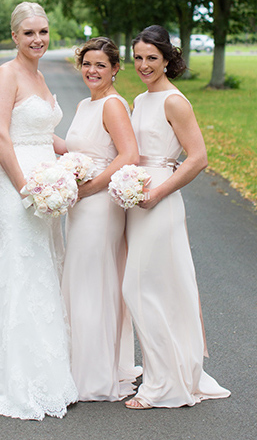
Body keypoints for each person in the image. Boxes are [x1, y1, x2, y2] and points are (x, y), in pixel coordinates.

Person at [0, 2, 78, 420]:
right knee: (22, 264)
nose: (38, 40)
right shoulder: (6, 74)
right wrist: (25, 188)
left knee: (48, 263)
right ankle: (17, 370)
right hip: (18, 188)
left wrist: (84, 158)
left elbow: (47, 134)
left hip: (48, 184)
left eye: (44, 32)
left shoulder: (40, 75)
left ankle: (49, 357)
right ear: (14, 36)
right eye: (29, 33)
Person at [123, 25, 230, 409]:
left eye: (152, 58)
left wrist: (157, 193)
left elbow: (198, 158)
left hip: (160, 201)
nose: (144, 65)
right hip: (137, 201)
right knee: (154, 288)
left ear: (168, 59)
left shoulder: (174, 101)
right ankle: (166, 372)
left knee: (138, 288)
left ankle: (163, 385)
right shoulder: (138, 99)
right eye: (138, 57)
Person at [62, 37, 142, 401]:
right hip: (79, 204)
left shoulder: (113, 104)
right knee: (80, 279)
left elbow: (129, 154)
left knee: (94, 281)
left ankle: (94, 375)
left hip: (99, 204)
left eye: (100, 65)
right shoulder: (84, 104)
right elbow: (78, 148)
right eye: (87, 64)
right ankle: (82, 362)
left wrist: (91, 187)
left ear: (114, 69)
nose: (92, 71)